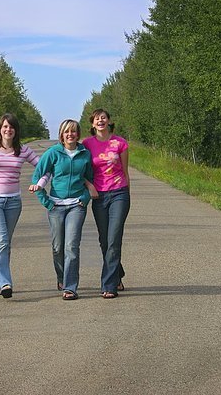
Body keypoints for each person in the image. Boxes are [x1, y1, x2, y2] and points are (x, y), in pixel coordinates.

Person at [0, 113, 47, 299]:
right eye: (5, 126)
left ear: (16, 131)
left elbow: (45, 168)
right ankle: (6, 283)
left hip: (13, 203)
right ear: (0, 129)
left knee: (4, 244)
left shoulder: (23, 150)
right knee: (2, 241)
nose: (8, 130)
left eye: (11, 127)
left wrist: (41, 183)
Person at [29, 119, 93, 300]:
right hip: (55, 206)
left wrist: (84, 199)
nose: (70, 134)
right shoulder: (53, 153)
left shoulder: (85, 154)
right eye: (66, 132)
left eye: (73, 131)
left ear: (78, 134)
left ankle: (70, 287)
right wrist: (46, 202)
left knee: (71, 246)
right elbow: (37, 178)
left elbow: (90, 180)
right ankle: (61, 277)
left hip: (76, 206)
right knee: (58, 247)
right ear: (61, 135)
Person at [82, 108, 130, 299]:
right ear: (93, 124)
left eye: (103, 118)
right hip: (99, 196)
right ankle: (117, 273)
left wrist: (128, 194)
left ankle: (109, 285)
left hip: (119, 194)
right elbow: (83, 171)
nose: (100, 120)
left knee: (114, 239)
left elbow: (125, 171)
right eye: (96, 119)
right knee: (105, 240)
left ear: (109, 121)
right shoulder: (87, 144)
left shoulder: (120, 143)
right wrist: (89, 186)